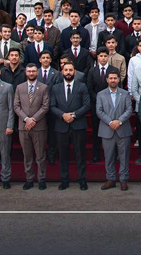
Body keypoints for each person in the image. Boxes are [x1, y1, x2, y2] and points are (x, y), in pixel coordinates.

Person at [51, 62, 91, 190]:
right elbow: (52, 106)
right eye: (66, 70)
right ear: (62, 72)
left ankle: (82, 180)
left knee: (80, 154)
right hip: (61, 126)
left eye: (70, 70)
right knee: (63, 155)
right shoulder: (55, 88)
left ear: (74, 72)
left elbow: (87, 105)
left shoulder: (82, 86)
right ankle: (64, 180)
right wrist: (63, 115)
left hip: (78, 125)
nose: (68, 72)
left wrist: (73, 115)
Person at [14, 63, 50, 190]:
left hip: (39, 126)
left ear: (37, 72)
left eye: (33, 71)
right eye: (29, 71)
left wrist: (33, 119)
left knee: (40, 155)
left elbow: (45, 106)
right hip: (23, 127)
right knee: (27, 155)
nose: (31, 73)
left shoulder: (44, 87)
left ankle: (41, 179)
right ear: (26, 73)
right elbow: (16, 106)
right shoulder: (19, 87)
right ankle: (29, 179)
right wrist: (26, 119)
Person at [95, 67, 132, 190]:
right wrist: (110, 122)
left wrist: (119, 121)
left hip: (123, 129)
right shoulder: (101, 94)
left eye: (115, 78)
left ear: (119, 79)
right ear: (107, 80)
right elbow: (99, 111)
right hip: (107, 130)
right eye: (110, 78)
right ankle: (110, 179)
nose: (113, 80)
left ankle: (123, 179)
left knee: (124, 157)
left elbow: (129, 110)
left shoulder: (125, 93)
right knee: (109, 157)